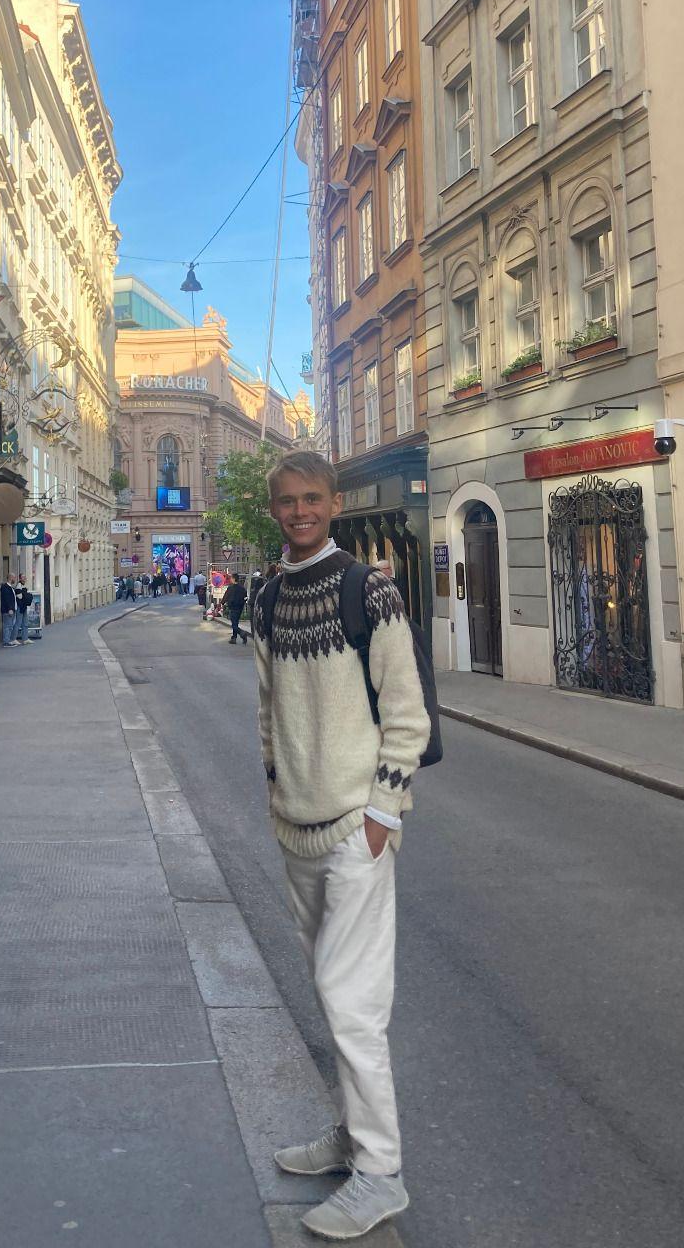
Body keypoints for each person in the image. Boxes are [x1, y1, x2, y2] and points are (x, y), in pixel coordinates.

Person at [253, 449, 428, 1241]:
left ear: (334, 503)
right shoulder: (268, 596)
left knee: (351, 1000)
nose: (300, 511)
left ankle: (380, 1172)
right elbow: (268, 708)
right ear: (274, 509)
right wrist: (275, 789)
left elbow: (407, 712)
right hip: (296, 828)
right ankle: (353, 1135)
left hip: (357, 829)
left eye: (312, 498)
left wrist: (382, 815)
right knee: (331, 995)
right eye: (287, 501)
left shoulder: (369, 589)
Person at [225, 573, 249, 644]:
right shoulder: (242, 588)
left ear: (234, 579)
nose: (230, 579)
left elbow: (226, 596)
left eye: (231, 578)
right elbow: (245, 597)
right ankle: (234, 638)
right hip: (240, 608)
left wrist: (222, 603)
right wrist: (242, 603)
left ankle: (242, 633)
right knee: (236, 623)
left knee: (234, 624)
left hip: (233, 607)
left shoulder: (231, 588)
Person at [0, 575, 17, 647]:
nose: (15, 579)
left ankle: (8, 640)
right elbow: (7, 599)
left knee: (10, 626)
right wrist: (10, 608)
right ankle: (6, 641)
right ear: (10, 578)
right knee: (7, 626)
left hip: (12, 609)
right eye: (14, 578)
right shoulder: (5, 587)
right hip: (7, 610)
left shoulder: (10, 587)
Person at [15, 576, 32, 644]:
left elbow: (23, 595)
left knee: (25, 623)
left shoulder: (23, 585)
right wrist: (26, 594)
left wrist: (25, 594)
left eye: (25, 578)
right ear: (20, 579)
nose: (25, 579)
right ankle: (13, 639)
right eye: (23, 578)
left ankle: (25, 639)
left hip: (23, 606)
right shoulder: (18, 585)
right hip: (20, 606)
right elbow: (20, 596)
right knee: (18, 623)